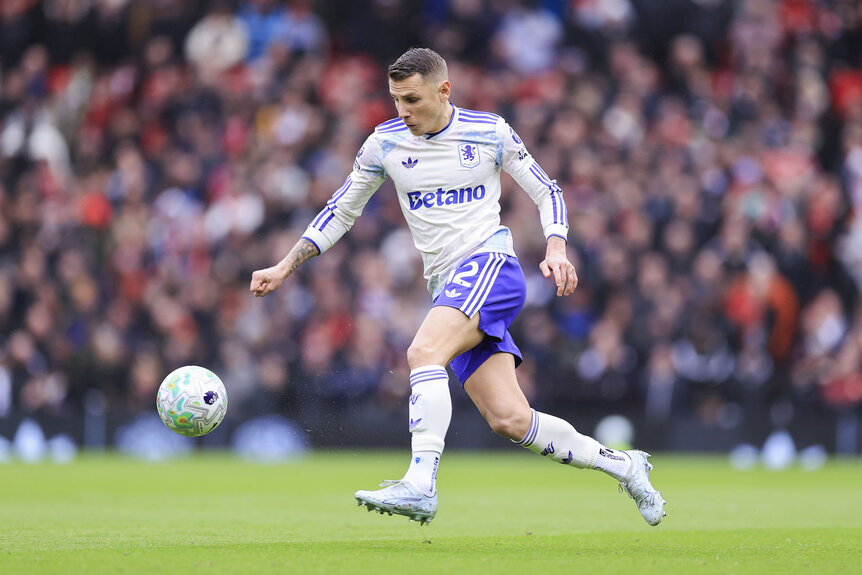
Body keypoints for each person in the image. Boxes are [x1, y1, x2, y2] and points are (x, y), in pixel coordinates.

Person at [250, 48, 666, 526]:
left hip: (490, 265)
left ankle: (420, 484)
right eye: (395, 100)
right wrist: (285, 265)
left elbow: (546, 189)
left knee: (422, 352)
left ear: (443, 90)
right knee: (510, 419)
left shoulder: (488, 131)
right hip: (449, 286)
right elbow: (341, 210)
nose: (402, 111)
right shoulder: (383, 144)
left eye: (412, 99)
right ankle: (624, 465)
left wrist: (556, 247)